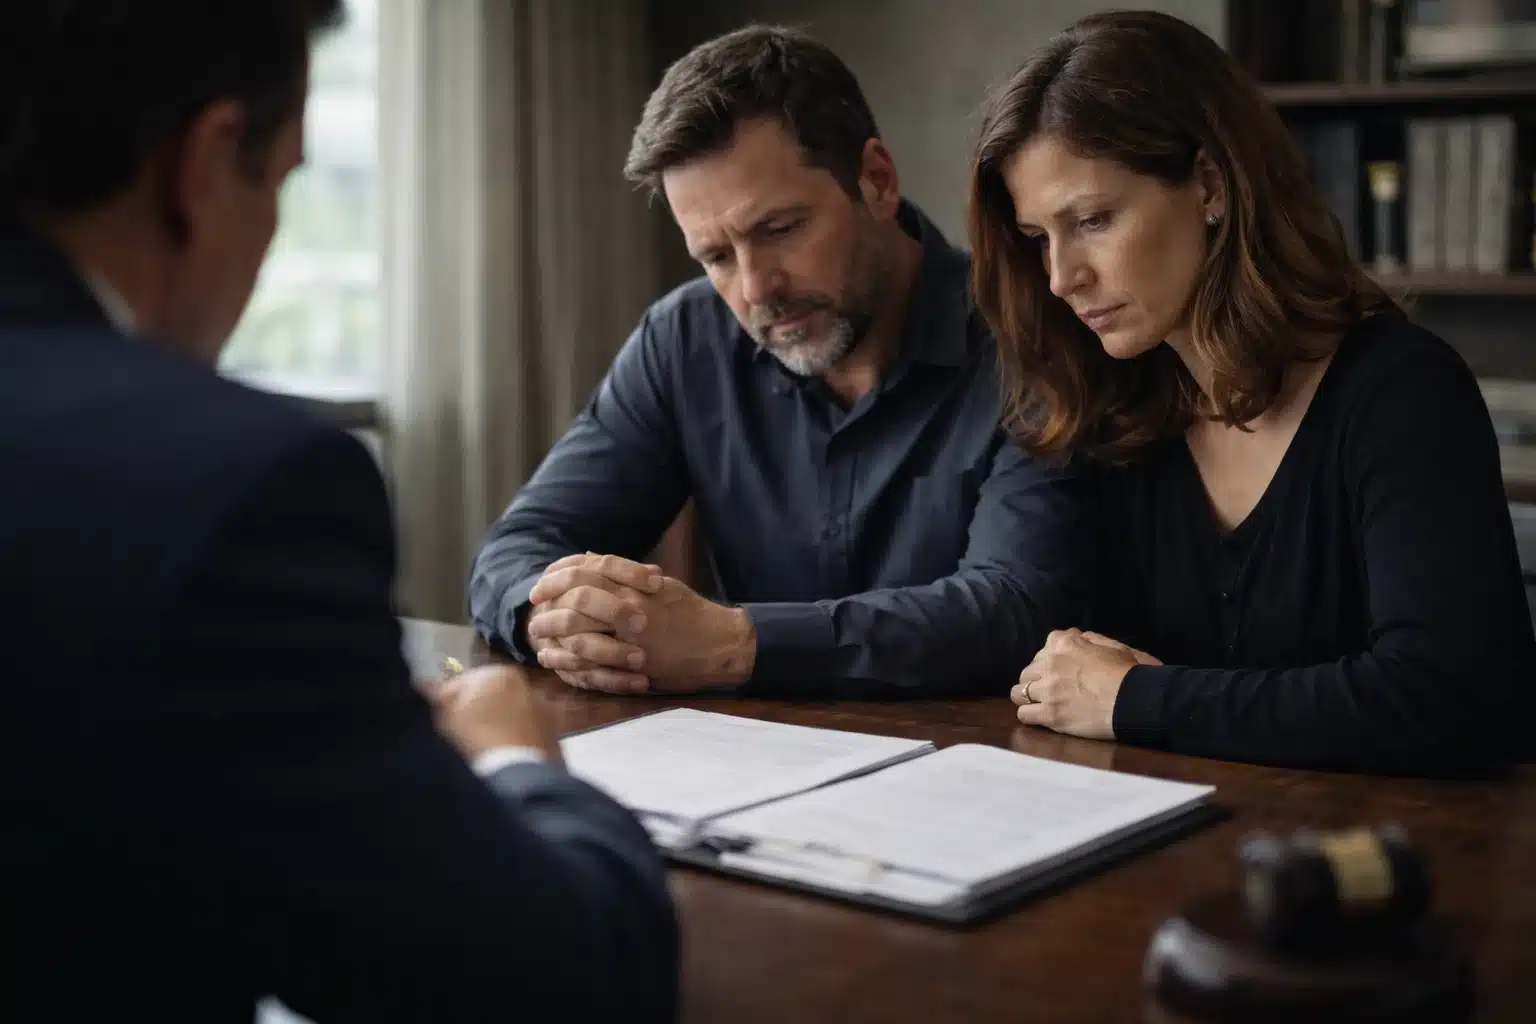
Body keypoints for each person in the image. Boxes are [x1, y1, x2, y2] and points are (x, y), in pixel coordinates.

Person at [0, 2, 675, 1020]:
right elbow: (560, 978)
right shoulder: (222, 484)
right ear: (208, 161)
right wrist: (516, 754)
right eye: (283, 182)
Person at [966, 10, 1534, 775]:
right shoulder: (1100, 404)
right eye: (1039, 239)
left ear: (1209, 184)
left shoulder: (1403, 393)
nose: (1063, 278)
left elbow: (1447, 697)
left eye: (1094, 219)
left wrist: (1138, 699)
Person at [469, 25, 1088, 699]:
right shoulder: (685, 339)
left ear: (876, 180)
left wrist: (733, 644)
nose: (756, 287)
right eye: (716, 257)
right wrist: (554, 615)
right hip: (750, 771)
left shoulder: (1031, 333)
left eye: (780, 230)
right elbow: (521, 545)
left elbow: (1014, 607)